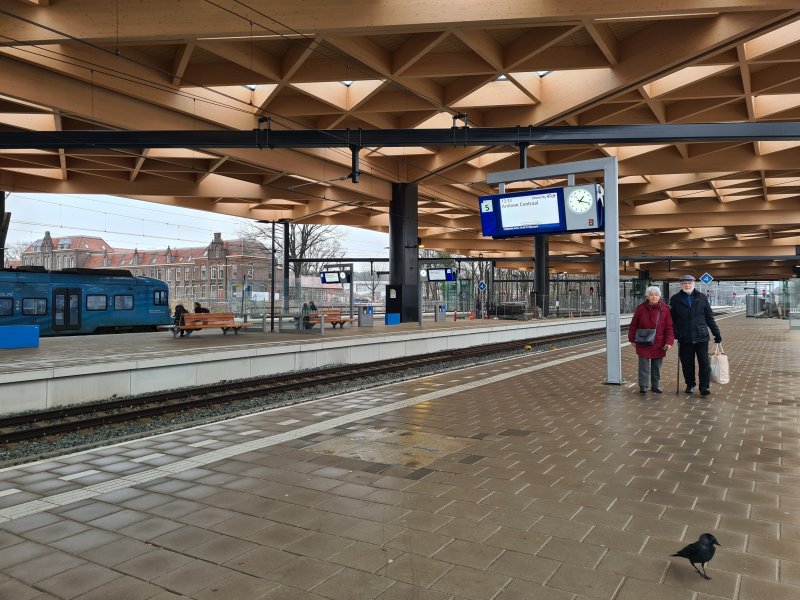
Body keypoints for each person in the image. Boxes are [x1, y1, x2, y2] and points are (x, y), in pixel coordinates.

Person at [669, 274, 722, 396]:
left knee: (704, 362)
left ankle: (704, 387)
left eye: (690, 283)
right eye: (684, 283)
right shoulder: (675, 299)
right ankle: (690, 384)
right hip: (684, 337)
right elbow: (672, 320)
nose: (687, 285)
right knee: (687, 363)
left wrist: (716, 333)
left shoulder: (701, 297)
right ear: (681, 285)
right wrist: (676, 333)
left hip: (701, 336)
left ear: (694, 284)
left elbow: (709, 317)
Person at [629, 286, 674, 394]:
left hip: (659, 342)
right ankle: (643, 386)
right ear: (647, 296)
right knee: (643, 365)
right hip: (643, 340)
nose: (654, 297)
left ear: (659, 296)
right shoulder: (640, 308)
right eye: (651, 295)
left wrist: (669, 342)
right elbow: (633, 325)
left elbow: (669, 327)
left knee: (656, 367)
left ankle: (655, 385)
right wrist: (632, 339)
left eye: (656, 295)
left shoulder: (664, 309)